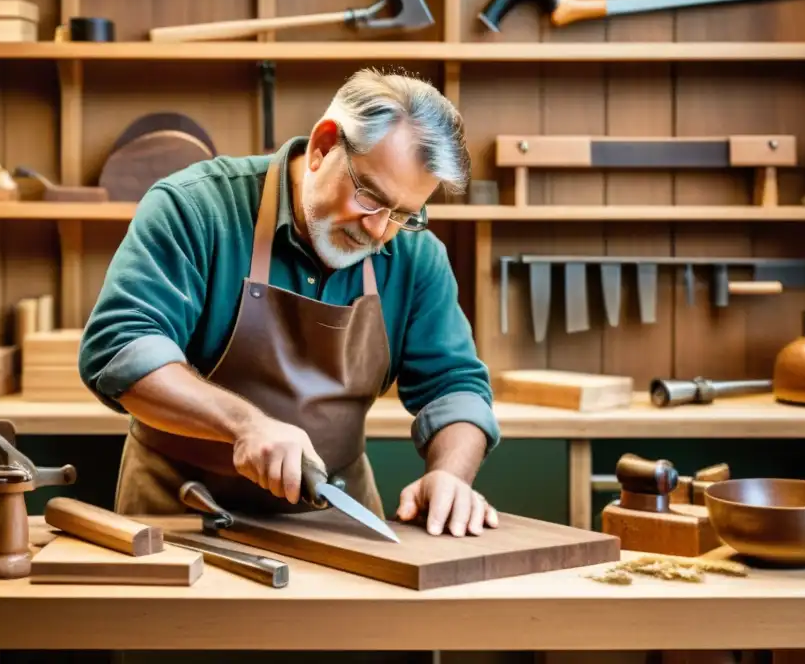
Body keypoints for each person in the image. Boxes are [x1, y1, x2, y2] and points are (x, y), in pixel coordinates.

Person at [78, 67, 502, 538]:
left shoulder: (414, 255)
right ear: (323, 146)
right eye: (369, 197)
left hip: (335, 516)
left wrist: (450, 475)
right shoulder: (195, 208)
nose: (379, 231)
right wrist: (245, 425)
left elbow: (456, 385)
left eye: (404, 214)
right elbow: (119, 348)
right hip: (180, 509)